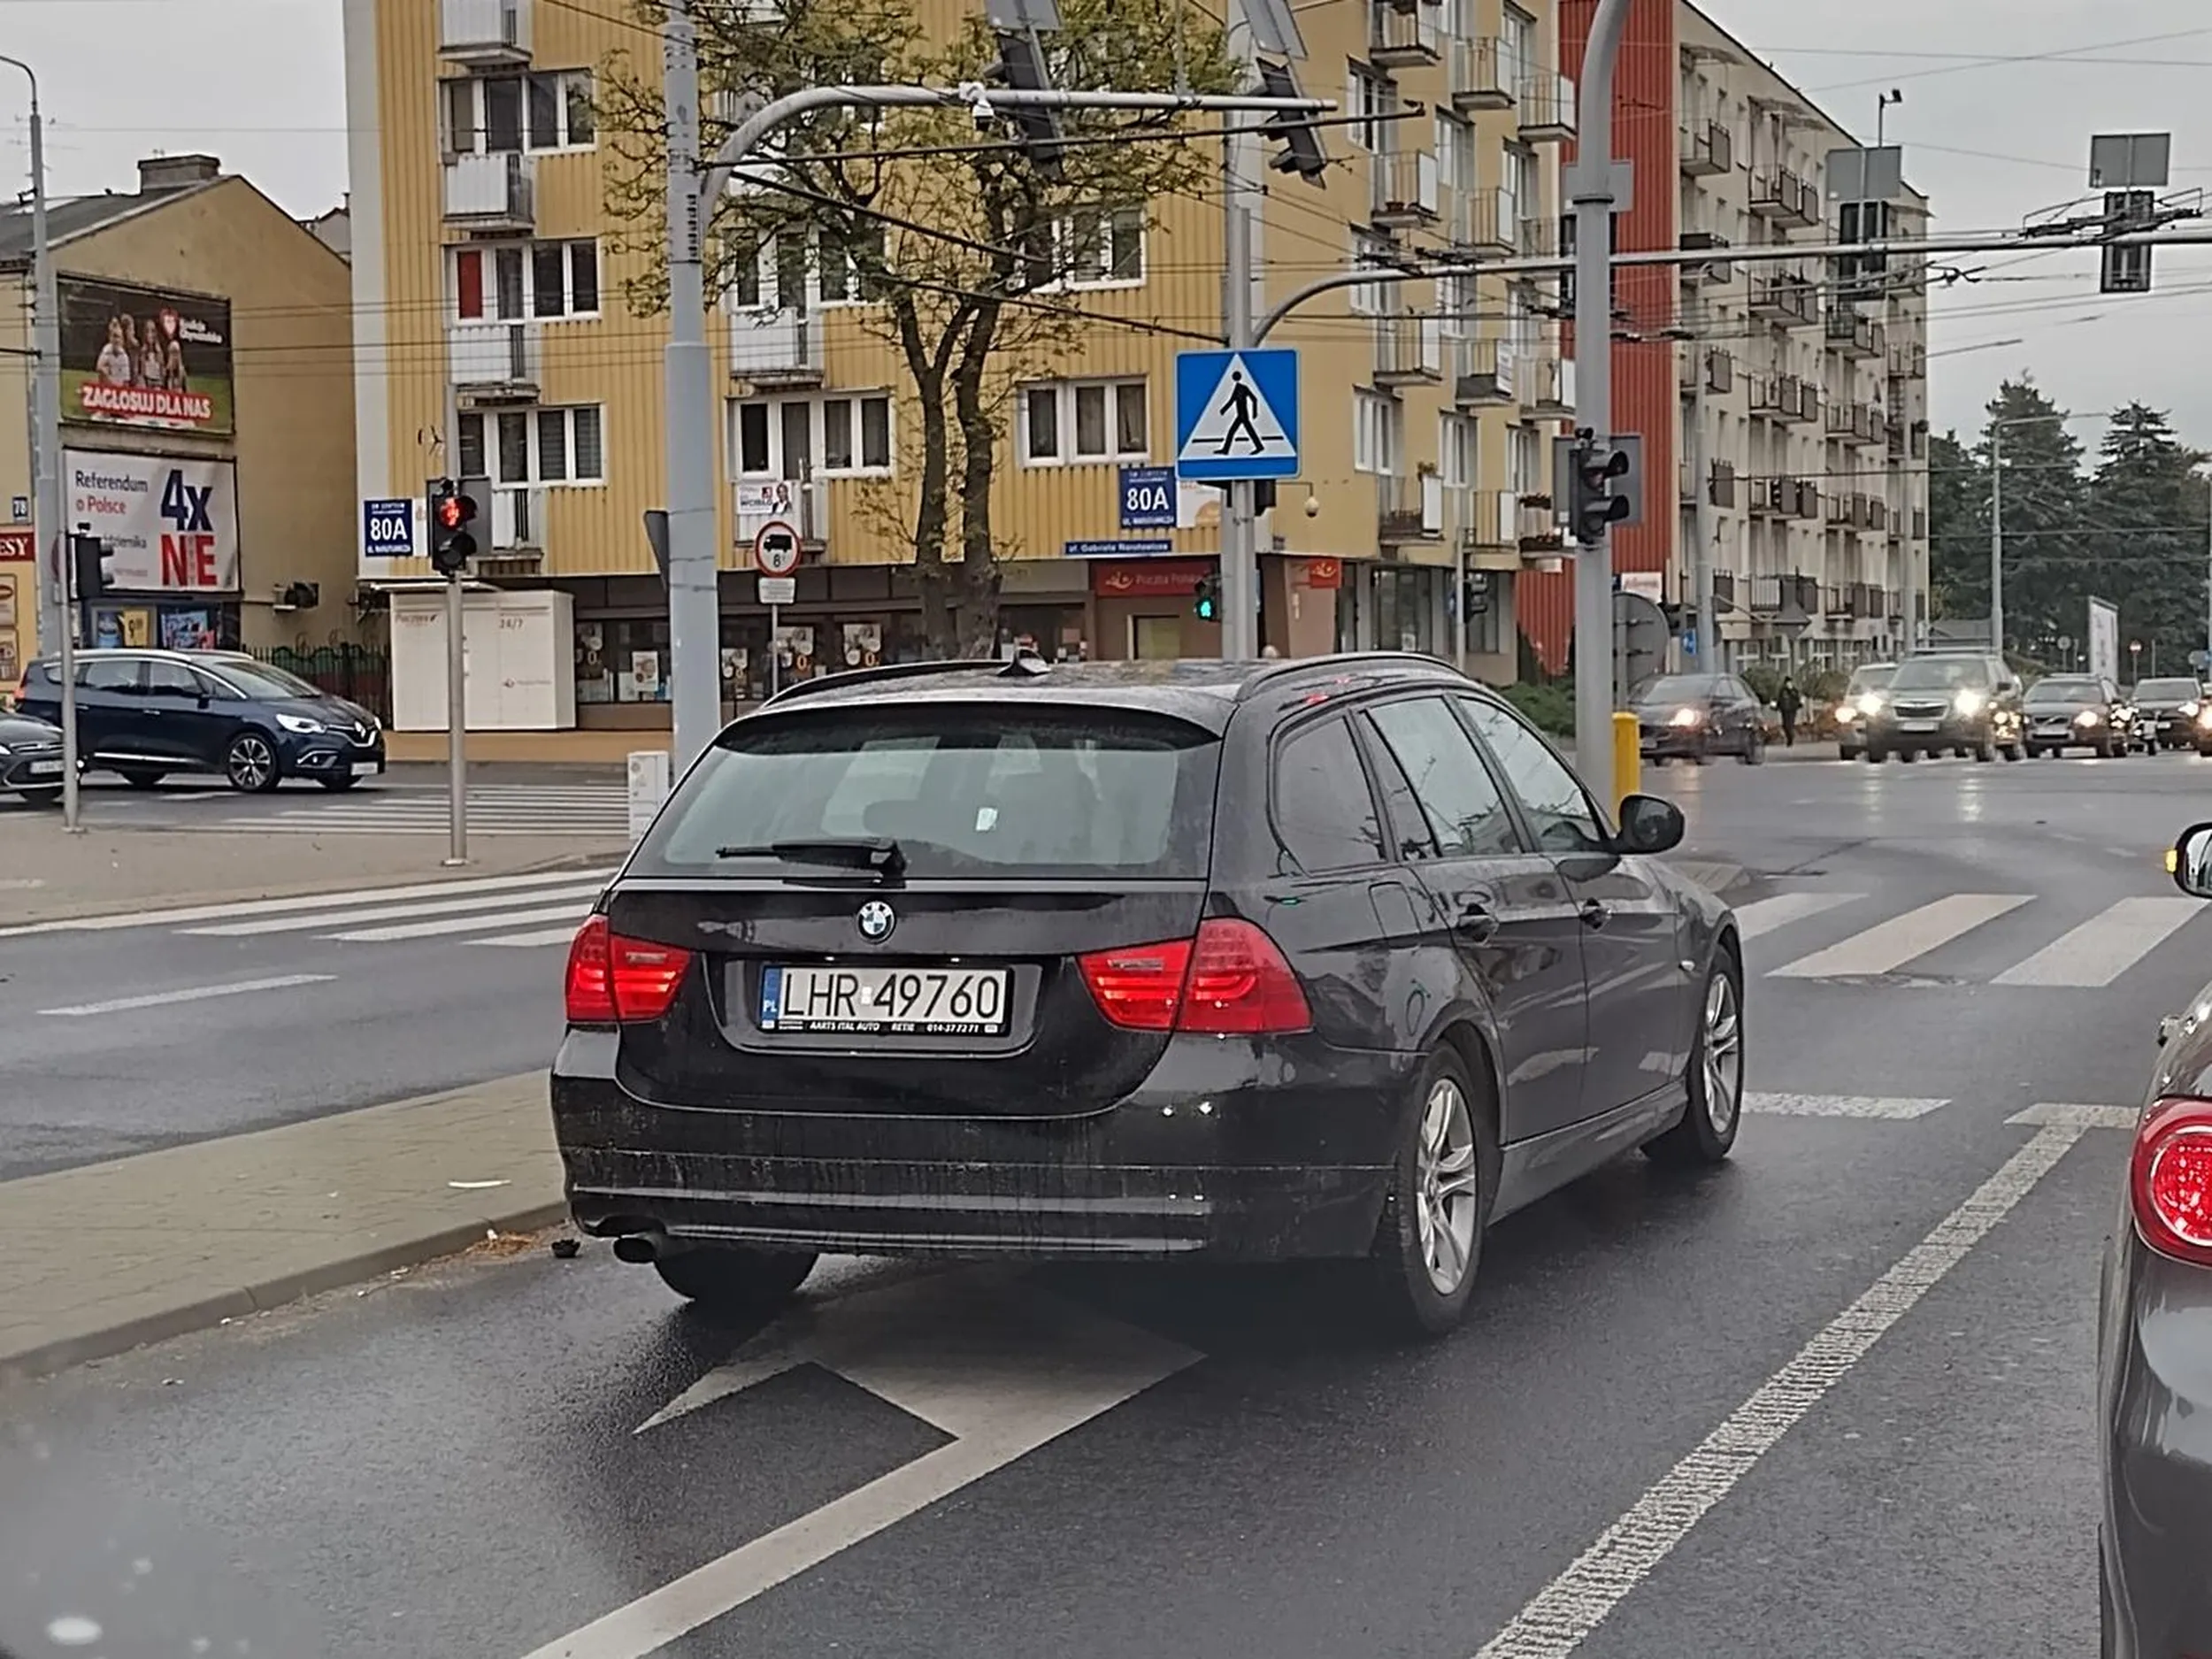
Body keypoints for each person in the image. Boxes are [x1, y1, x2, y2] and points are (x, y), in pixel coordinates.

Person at [1777, 676, 1802, 748]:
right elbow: (1779, 699)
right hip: (1784, 710)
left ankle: (1790, 740)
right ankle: (1789, 738)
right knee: (1785, 725)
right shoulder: (1782, 691)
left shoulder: (1794, 691)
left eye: (1790, 683)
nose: (1788, 684)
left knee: (1790, 725)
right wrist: (1777, 706)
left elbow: (1798, 699)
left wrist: (1798, 705)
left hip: (1792, 710)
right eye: (1787, 683)